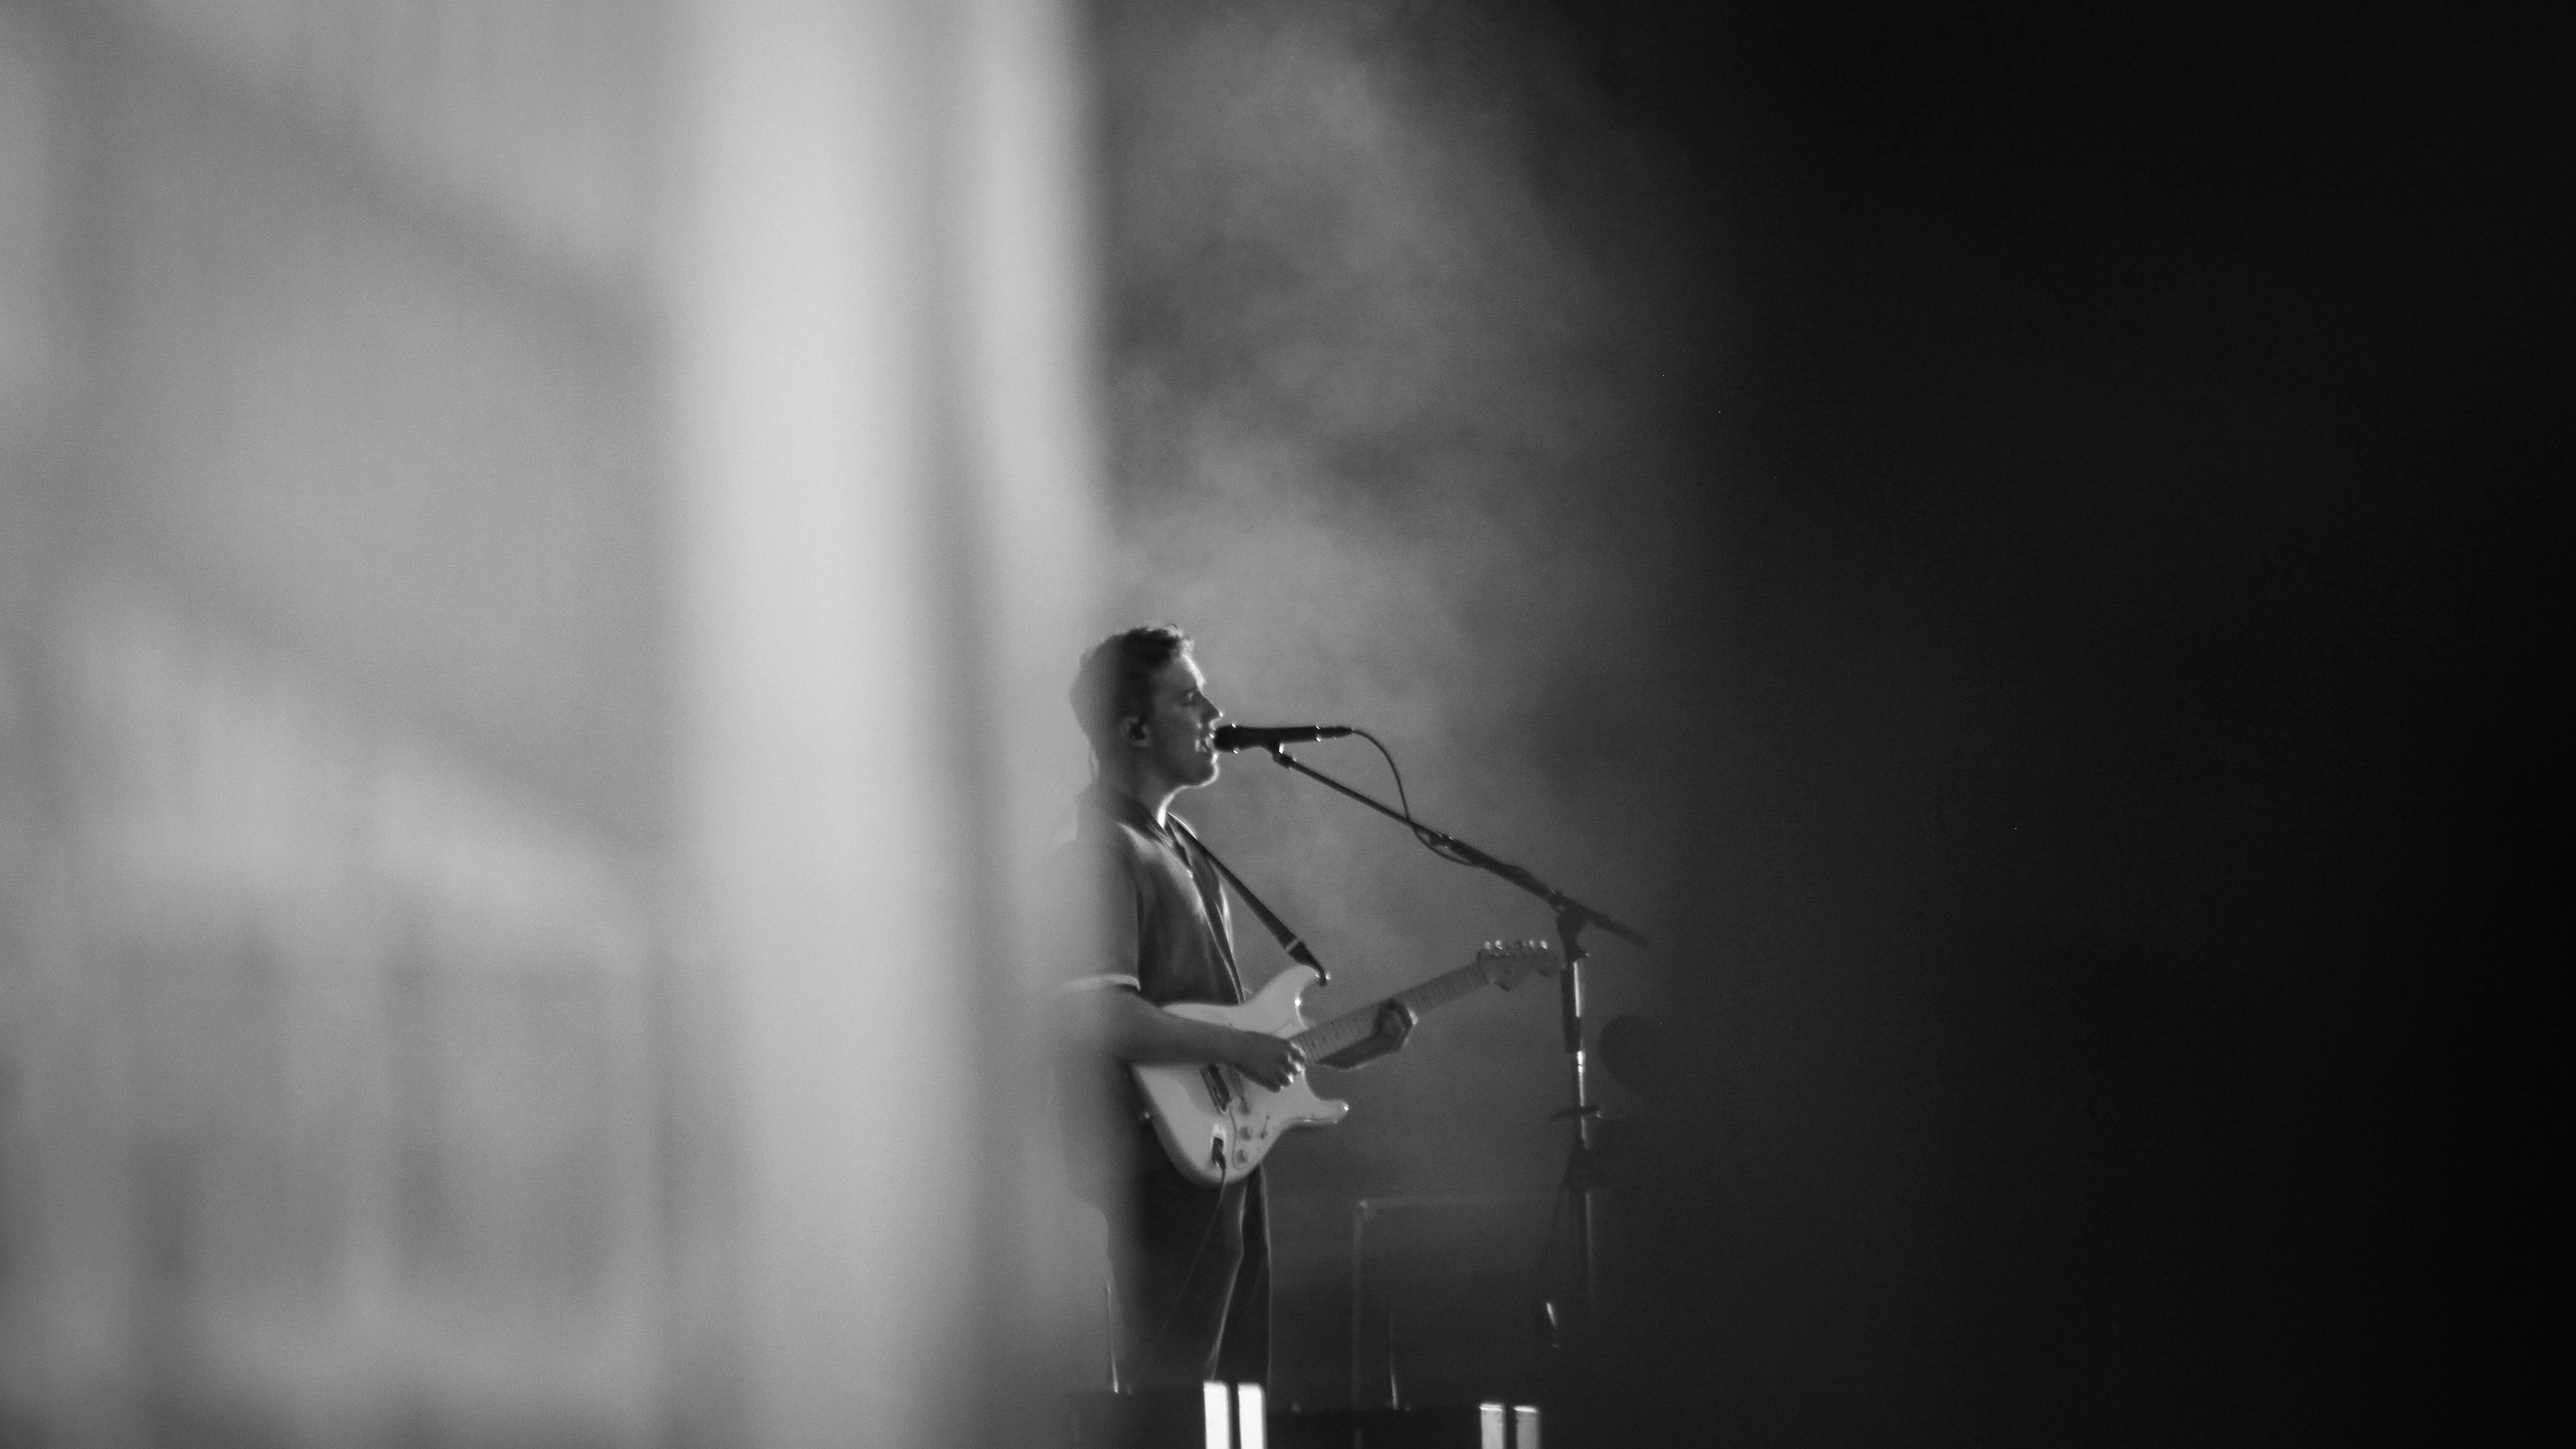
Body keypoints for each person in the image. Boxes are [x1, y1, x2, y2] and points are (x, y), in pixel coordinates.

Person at [1053, 625, 1411, 1392]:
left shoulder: (1185, 850)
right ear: (1133, 729)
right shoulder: (1099, 849)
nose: (1214, 711)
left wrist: (1342, 1048)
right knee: (1175, 1396)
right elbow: (1100, 1015)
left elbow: (1238, 1030)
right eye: (1188, 696)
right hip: (1155, 1162)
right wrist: (1237, 1053)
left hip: (1221, 1158)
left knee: (1234, 1395)